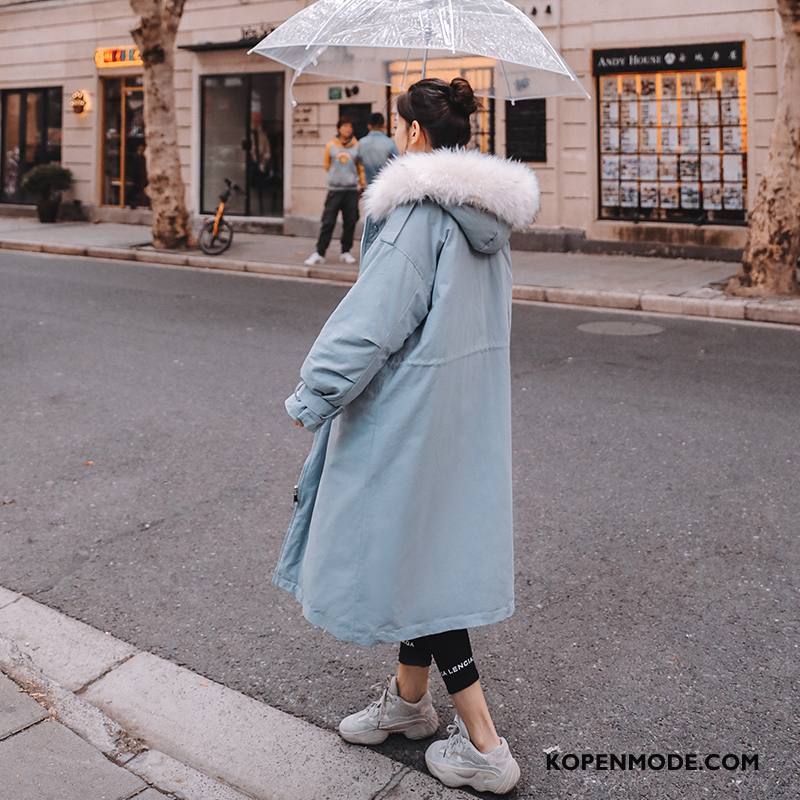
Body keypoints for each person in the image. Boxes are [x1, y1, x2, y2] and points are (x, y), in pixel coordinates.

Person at [280, 76, 540, 794]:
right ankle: (407, 702)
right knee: (420, 547)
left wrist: (314, 394)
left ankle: (485, 745)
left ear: (416, 135)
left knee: (423, 570)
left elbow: (372, 321)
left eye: (401, 128)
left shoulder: (418, 217)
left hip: (408, 413)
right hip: (462, 411)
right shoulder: (486, 220)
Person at [304, 117, 366, 267]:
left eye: (350, 126)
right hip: (334, 191)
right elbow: (326, 165)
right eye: (345, 126)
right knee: (328, 222)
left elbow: (360, 167)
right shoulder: (330, 146)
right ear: (339, 128)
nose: (348, 129)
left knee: (350, 222)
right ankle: (320, 252)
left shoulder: (357, 146)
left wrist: (362, 183)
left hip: (351, 191)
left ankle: (346, 251)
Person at [357, 111, 399, 185]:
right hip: (385, 186)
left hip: (367, 186)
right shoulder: (390, 143)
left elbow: (357, 163)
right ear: (384, 125)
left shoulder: (361, 143)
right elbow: (398, 163)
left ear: (369, 126)